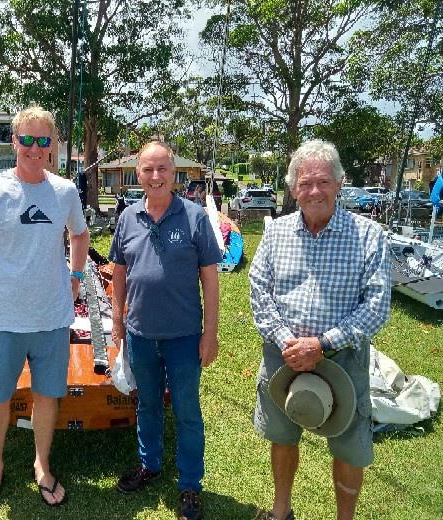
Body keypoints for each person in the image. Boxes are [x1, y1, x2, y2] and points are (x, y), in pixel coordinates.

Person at [249, 139, 390, 520]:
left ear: (340, 184)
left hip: (342, 359)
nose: (315, 191)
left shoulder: (368, 236)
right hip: (283, 355)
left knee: (348, 447)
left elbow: (377, 307)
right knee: (282, 435)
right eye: (306, 183)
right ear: (294, 189)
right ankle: (281, 511)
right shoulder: (276, 233)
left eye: (324, 182)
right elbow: (259, 292)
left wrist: (323, 344)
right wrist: (286, 341)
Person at [0, 106, 89, 512]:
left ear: (53, 146)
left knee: (47, 395)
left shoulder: (66, 191)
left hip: (52, 317)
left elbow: (80, 235)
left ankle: (42, 464)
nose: (35, 148)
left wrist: (75, 279)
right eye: (27, 139)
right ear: (14, 141)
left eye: (44, 140)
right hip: (1, 319)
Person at [109, 141, 222, 520]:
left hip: (185, 336)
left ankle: (190, 484)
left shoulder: (194, 217)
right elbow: (119, 272)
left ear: (174, 174)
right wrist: (118, 323)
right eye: (148, 169)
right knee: (148, 404)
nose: (155, 176)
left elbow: (210, 277)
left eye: (162, 169)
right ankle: (150, 464)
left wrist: (210, 333)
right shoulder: (126, 217)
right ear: (137, 174)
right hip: (140, 334)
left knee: (187, 411)